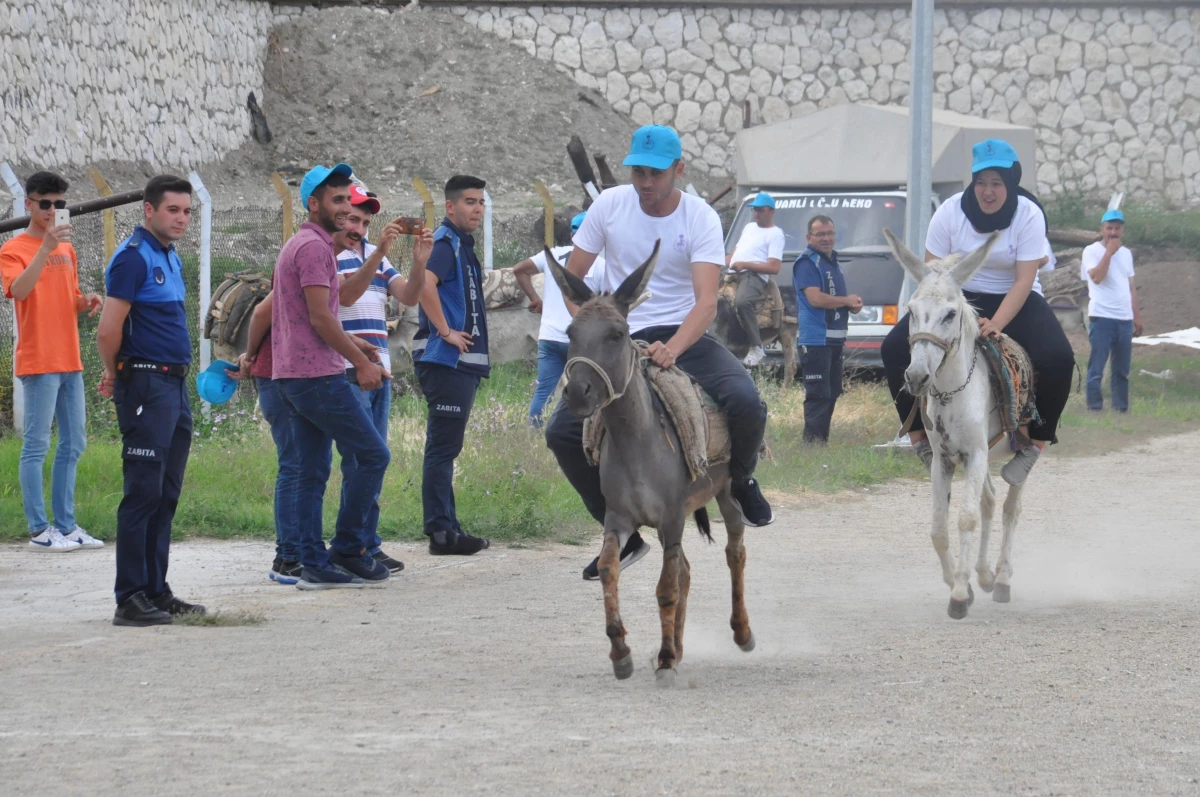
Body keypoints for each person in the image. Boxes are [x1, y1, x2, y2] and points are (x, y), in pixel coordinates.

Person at [546, 125, 774, 582]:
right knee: (562, 433)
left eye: (654, 173)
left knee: (747, 403)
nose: (645, 182)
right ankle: (622, 534)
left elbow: (707, 302)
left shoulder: (699, 217)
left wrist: (672, 348)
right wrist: (596, 328)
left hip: (683, 334)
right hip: (620, 334)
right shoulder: (609, 206)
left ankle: (743, 481)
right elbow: (572, 279)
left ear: (678, 169)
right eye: (637, 172)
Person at [881, 139, 1075, 486]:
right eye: (981, 182)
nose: (988, 191)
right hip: (959, 296)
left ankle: (1035, 446)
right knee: (893, 348)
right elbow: (933, 277)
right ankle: (919, 439)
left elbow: (1023, 280)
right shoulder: (949, 213)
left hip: (1017, 297)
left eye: (997, 183)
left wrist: (997, 323)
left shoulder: (1029, 215)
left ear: (1011, 183)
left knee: (1059, 357)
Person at [270, 163, 393, 589]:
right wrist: (359, 363)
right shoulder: (314, 248)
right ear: (314, 203)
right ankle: (348, 547)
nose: (344, 208)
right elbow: (322, 319)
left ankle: (311, 563)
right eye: (336, 199)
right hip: (316, 377)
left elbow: (312, 317)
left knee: (311, 472)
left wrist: (357, 346)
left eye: (347, 198)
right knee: (374, 455)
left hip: (293, 375)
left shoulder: (305, 245)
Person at [96, 175, 206, 626]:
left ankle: (157, 591)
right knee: (142, 492)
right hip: (145, 384)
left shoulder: (169, 255)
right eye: (173, 210)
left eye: (186, 212)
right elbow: (108, 330)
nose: (181, 219)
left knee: (165, 493)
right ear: (149, 210)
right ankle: (130, 596)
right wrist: (113, 372)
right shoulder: (133, 257)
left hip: (174, 387)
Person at [0, 171, 103, 552]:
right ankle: (39, 530)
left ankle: (67, 525)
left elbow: (67, 298)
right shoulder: (13, 249)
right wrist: (44, 247)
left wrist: (86, 300)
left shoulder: (68, 249)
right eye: (46, 204)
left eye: (60, 204)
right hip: (39, 359)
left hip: (69, 358)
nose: (53, 210)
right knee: (37, 446)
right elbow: (19, 291)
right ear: (28, 203)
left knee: (74, 442)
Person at [332, 184, 432, 571]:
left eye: (366, 221)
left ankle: (367, 542)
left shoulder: (371, 255)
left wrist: (420, 261)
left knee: (372, 457)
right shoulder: (333, 254)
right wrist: (378, 252)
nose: (359, 226)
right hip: (349, 366)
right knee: (361, 458)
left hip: (379, 366)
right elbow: (346, 298)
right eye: (354, 218)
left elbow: (408, 296)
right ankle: (353, 545)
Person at [412, 175, 492, 556]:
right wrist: (445, 331)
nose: (477, 209)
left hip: (461, 364)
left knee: (448, 447)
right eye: (470, 202)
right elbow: (425, 284)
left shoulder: (461, 245)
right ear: (450, 206)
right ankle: (441, 533)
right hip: (446, 362)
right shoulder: (445, 243)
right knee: (442, 448)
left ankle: (450, 527)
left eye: (481, 202)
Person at [512, 211, 606, 426]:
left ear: (573, 235)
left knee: (544, 389)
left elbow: (519, 270)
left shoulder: (551, 256)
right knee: (586, 388)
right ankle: (580, 432)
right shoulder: (599, 265)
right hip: (582, 341)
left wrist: (534, 299)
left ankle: (534, 431)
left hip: (550, 337)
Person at [794, 215, 862, 443]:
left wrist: (850, 306)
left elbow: (835, 299)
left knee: (832, 393)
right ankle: (811, 445)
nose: (826, 238)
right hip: (815, 340)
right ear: (809, 237)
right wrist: (846, 301)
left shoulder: (832, 262)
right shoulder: (807, 262)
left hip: (834, 341)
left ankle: (821, 441)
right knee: (818, 394)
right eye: (820, 234)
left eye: (830, 233)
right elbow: (815, 299)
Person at [1081, 209, 1142, 412]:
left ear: (1122, 230)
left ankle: (1121, 408)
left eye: (1117, 228)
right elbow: (1097, 278)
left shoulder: (1126, 254)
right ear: (1102, 229)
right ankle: (1095, 407)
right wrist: (1109, 252)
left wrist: (1136, 316)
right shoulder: (1091, 251)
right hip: (1101, 317)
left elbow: (1130, 286)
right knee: (1097, 367)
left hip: (1124, 319)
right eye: (1109, 228)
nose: (1113, 232)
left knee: (1122, 369)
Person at [725, 192, 785, 367]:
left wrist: (745, 264)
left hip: (753, 276)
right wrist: (722, 261)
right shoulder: (749, 227)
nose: (756, 214)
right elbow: (736, 251)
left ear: (771, 212)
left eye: (760, 210)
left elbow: (774, 267)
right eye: (754, 210)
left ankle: (757, 346)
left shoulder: (776, 234)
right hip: (733, 270)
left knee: (743, 302)